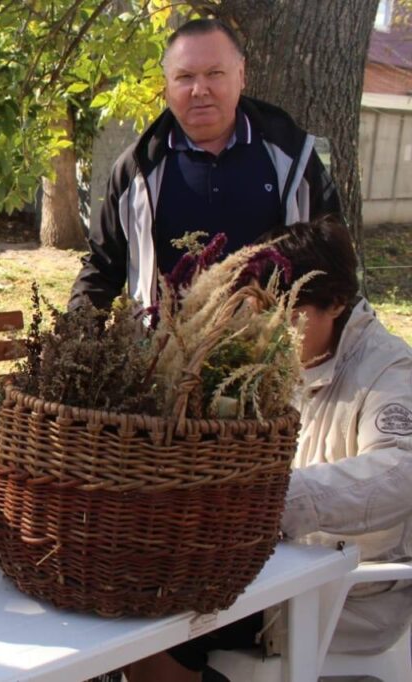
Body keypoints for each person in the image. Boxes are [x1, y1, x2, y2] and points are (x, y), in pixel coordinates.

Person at [127, 217, 412, 680]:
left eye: (288, 311)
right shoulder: (271, 357)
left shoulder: (386, 370)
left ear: (336, 303)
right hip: (265, 568)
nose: (270, 325)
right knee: (139, 589)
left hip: (346, 593)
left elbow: (400, 473)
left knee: (163, 617)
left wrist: (274, 498)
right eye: (263, 308)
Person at [69, 17, 341, 311]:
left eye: (215, 73)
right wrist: (74, 337)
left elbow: (334, 265)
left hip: (269, 347)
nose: (200, 89)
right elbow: (101, 268)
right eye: (185, 77)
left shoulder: (292, 159)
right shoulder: (136, 170)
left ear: (241, 75)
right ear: (166, 86)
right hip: (165, 351)